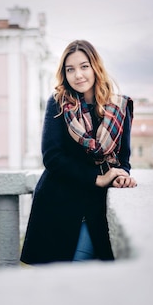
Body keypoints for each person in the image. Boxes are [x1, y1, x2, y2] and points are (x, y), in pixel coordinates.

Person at [20, 40, 135, 265]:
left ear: (95, 67)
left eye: (84, 66)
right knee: (58, 280)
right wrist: (98, 179)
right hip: (59, 203)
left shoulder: (119, 107)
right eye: (70, 69)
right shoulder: (59, 103)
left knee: (89, 279)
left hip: (97, 207)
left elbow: (124, 158)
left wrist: (121, 175)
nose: (78, 75)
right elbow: (52, 157)